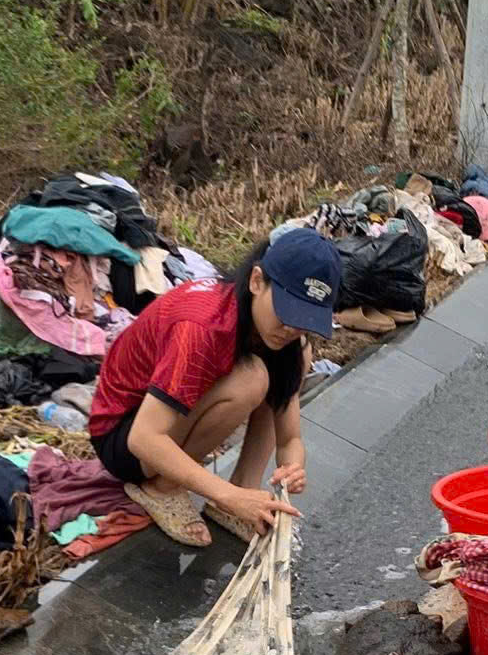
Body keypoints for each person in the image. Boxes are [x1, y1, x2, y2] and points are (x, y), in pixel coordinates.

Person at [88, 229, 337, 547]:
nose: (291, 328)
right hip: (124, 436)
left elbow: (290, 439)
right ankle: (160, 489)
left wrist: (293, 468)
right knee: (252, 379)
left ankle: (243, 486)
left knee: (294, 356)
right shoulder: (202, 326)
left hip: (159, 424)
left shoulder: (288, 340)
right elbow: (144, 438)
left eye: (305, 319)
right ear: (257, 282)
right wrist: (227, 494)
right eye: (286, 313)